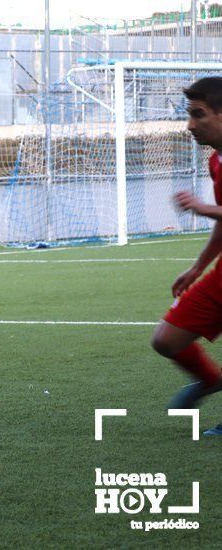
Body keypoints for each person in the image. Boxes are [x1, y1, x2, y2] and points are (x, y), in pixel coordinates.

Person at [150, 76, 222, 437]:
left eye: (198, 114)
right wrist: (198, 266)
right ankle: (211, 380)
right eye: (188, 114)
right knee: (167, 339)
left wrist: (202, 208)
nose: (190, 125)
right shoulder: (217, 161)